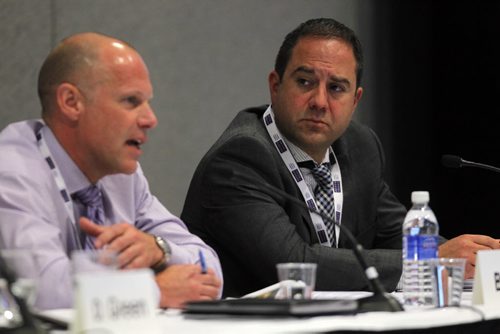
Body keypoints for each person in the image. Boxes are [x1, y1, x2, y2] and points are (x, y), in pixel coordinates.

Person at [180, 18, 500, 298]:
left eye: (336, 88)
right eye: (305, 82)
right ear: (275, 86)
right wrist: (428, 262)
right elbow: (294, 263)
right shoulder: (239, 159)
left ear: (355, 99)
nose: (319, 101)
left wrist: (470, 259)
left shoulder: (360, 146)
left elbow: (394, 235)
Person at [0, 32, 222, 310]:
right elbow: (38, 290)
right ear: (71, 102)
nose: (150, 119)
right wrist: (152, 290)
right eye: (131, 101)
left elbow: (210, 270)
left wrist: (160, 250)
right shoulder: (12, 170)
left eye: (147, 102)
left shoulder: (123, 176)